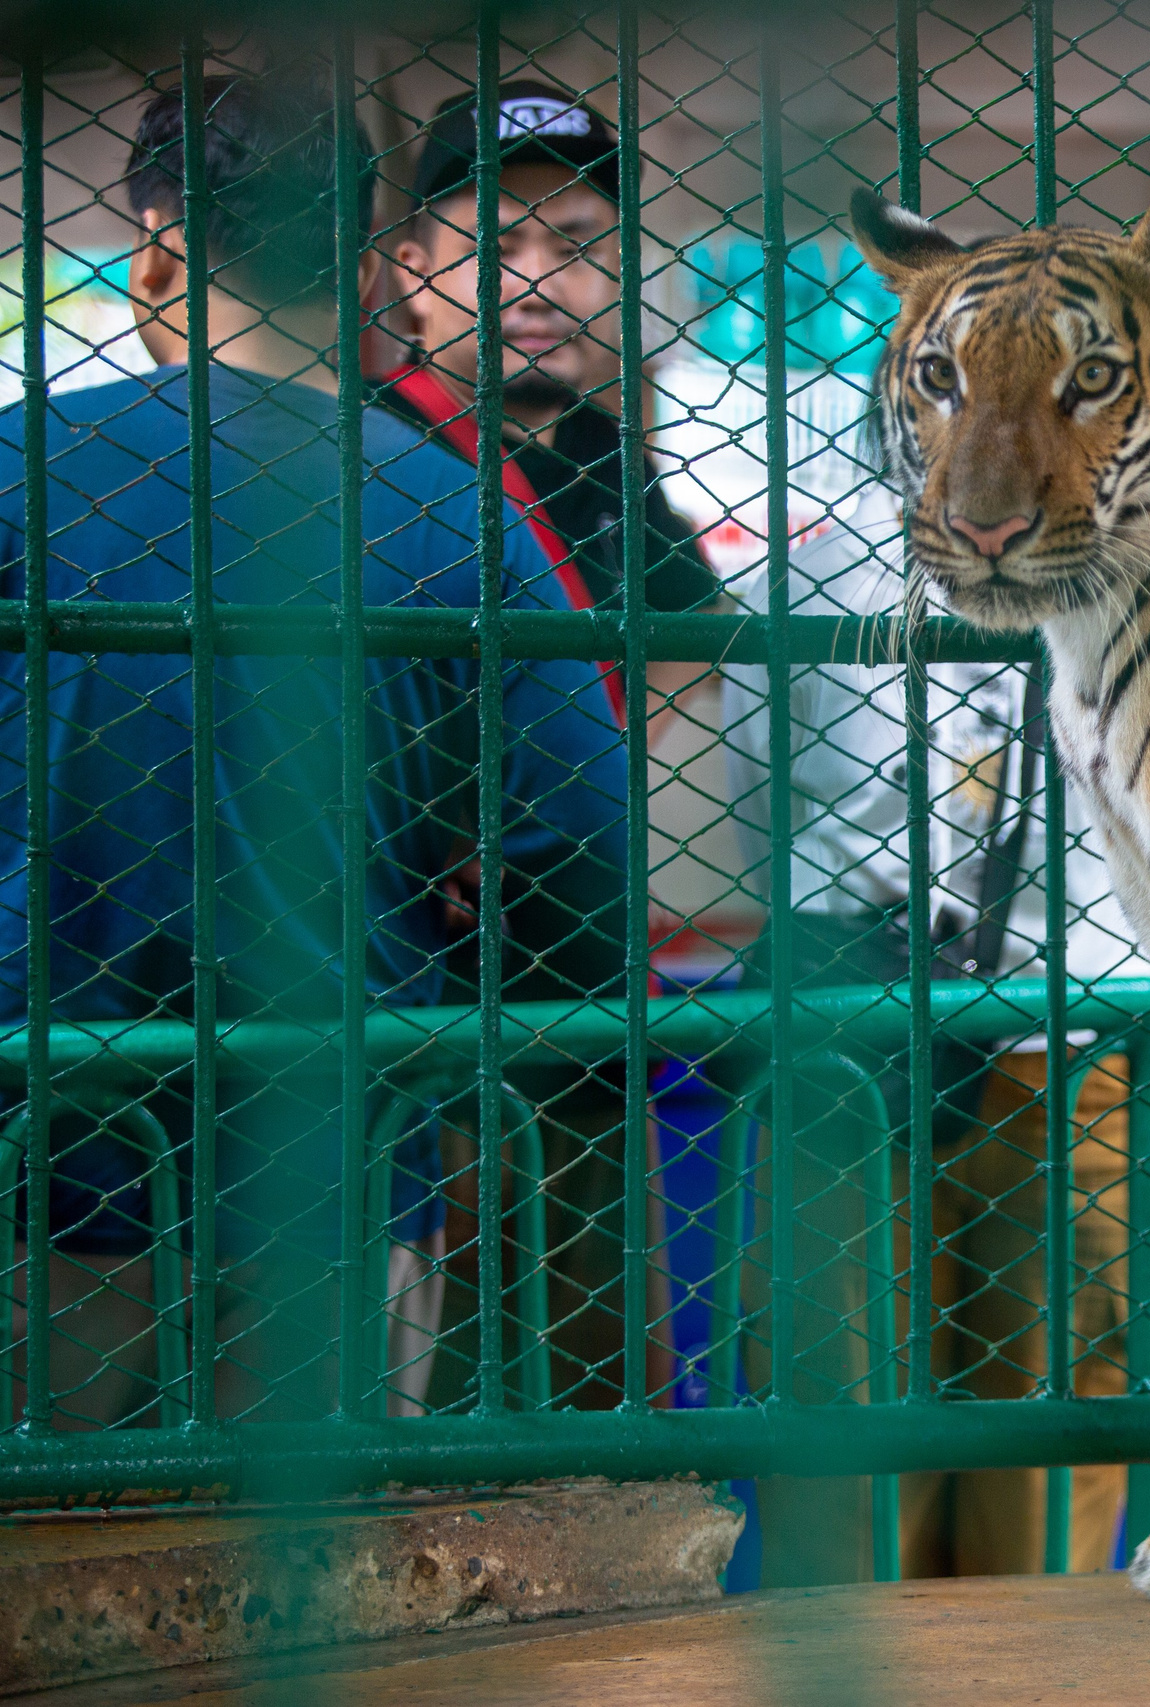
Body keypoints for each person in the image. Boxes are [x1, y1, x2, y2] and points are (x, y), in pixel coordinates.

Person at [0, 72, 625, 1424]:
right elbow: (581, 849)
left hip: (36, 1147)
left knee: (40, 1535)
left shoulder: (15, 472)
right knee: (329, 1543)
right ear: (364, 268)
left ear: (157, 252)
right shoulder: (452, 511)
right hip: (336, 1150)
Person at [720, 489, 1146, 1584]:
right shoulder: (820, 577)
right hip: (972, 1039)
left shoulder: (812, 579)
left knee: (906, 1418)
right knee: (954, 1421)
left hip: (976, 1037)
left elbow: (759, 816)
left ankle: (965, 1650)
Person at [374, 80, 725, 1407]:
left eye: (575, 244)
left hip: (576, 991)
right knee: (448, 1404)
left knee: (594, 1387)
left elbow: (695, 631)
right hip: (425, 1016)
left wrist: (573, 770)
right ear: (414, 271)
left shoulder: (599, 456)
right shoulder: (376, 449)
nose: (539, 280)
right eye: (496, 244)